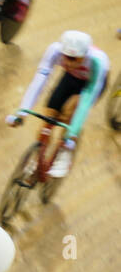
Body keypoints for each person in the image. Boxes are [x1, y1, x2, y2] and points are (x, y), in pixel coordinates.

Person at [6, 30, 110, 179]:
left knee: (71, 111)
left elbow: (86, 100)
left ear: (85, 55)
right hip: (71, 78)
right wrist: (22, 111)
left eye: (75, 59)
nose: (69, 62)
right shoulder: (55, 50)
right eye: (67, 57)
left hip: (91, 84)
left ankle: (65, 152)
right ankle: (38, 157)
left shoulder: (97, 62)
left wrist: (72, 132)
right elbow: (39, 80)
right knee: (49, 116)